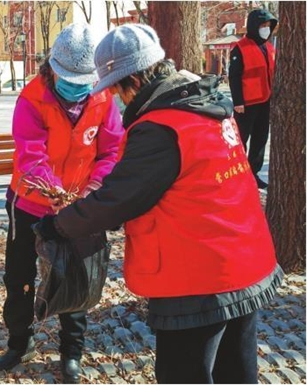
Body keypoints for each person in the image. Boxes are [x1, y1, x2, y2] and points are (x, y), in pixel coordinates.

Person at [34, 24, 283, 384]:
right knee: (236, 373)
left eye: (118, 90)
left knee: (184, 375)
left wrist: (58, 225)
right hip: (245, 262)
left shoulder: (162, 127)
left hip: (199, 278)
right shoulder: (207, 106)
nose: (119, 100)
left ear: (132, 81)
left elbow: (119, 199)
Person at [0, 23, 124, 383]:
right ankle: (20, 342)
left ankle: (71, 351)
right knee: (18, 277)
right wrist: (56, 195)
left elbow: (112, 149)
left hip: (81, 205)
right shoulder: (31, 100)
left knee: (75, 279)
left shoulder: (103, 98)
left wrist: (92, 190)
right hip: (30, 203)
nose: (76, 88)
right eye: (69, 79)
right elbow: (31, 156)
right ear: (52, 70)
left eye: (84, 81)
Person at [228, 9, 278, 189]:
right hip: (247, 104)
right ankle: (236, 173)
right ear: (253, 26)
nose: (265, 29)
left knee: (260, 139)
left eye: (268, 26)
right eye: (262, 25)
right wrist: (238, 102)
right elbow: (234, 76)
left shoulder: (269, 47)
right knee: (241, 139)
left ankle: (253, 173)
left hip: (265, 101)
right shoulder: (240, 47)